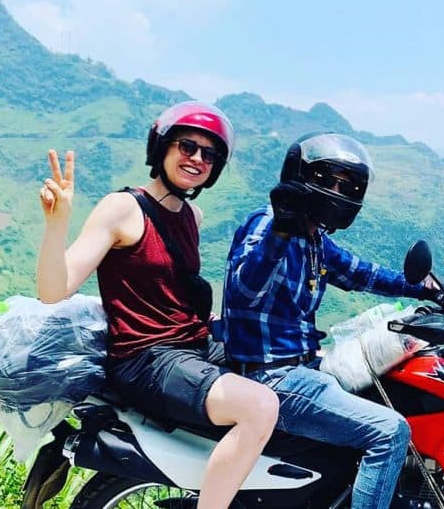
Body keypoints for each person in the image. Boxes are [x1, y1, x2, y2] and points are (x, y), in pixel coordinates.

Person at [36, 101, 279, 509]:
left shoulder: (191, 214)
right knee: (259, 406)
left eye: (209, 154)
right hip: (146, 358)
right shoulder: (123, 208)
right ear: (162, 148)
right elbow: (53, 290)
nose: (197, 158)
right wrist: (57, 221)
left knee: (288, 368)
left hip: (192, 346)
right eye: (187, 146)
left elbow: (171, 292)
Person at [221, 132, 438, 509]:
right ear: (299, 176)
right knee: (389, 432)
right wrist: (279, 235)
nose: (337, 191)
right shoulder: (270, 223)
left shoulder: (314, 238)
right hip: (271, 378)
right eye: (326, 180)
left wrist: (428, 290)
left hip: (302, 367)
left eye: (346, 185)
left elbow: (362, 274)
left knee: (392, 394)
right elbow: (242, 290)